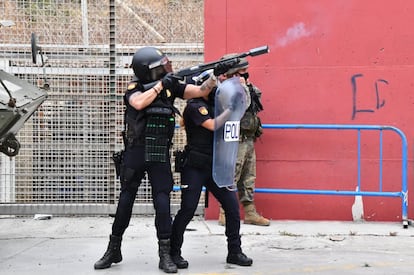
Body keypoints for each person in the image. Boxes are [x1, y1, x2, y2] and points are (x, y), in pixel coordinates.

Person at [93, 46, 230, 273]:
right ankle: (113, 248)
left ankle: (165, 254)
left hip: (159, 153)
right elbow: (138, 103)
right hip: (136, 152)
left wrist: (216, 75)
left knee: (163, 202)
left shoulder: (172, 86)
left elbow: (199, 91)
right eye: (162, 65)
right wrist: (161, 85)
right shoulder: (135, 87)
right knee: (125, 201)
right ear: (150, 71)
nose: (168, 67)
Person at [169, 61, 253, 270]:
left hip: (217, 166)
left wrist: (239, 86)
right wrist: (230, 111)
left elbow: (241, 106)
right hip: (195, 166)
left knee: (232, 208)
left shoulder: (216, 103)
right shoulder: (194, 107)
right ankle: (173, 252)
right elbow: (213, 125)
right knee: (187, 209)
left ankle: (234, 251)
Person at [218, 56, 270, 226]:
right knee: (232, 175)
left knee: (248, 177)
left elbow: (257, 97)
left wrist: (246, 85)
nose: (246, 76)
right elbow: (243, 106)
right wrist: (239, 86)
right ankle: (224, 212)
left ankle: (250, 212)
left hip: (248, 138)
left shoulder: (246, 87)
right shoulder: (226, 90)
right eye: (242, 73)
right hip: (234, 139)